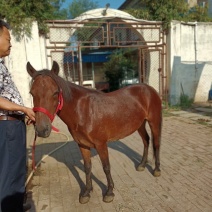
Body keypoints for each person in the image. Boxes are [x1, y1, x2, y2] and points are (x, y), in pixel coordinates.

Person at [0, 20, 35, 212]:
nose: (10, 43)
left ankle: (16, 206)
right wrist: (23, 109)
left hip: (12, 125)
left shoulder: (1, 64)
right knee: (11, 176)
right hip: (7, 128)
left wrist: (21, 112)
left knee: (15, 172)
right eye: (7, 38)